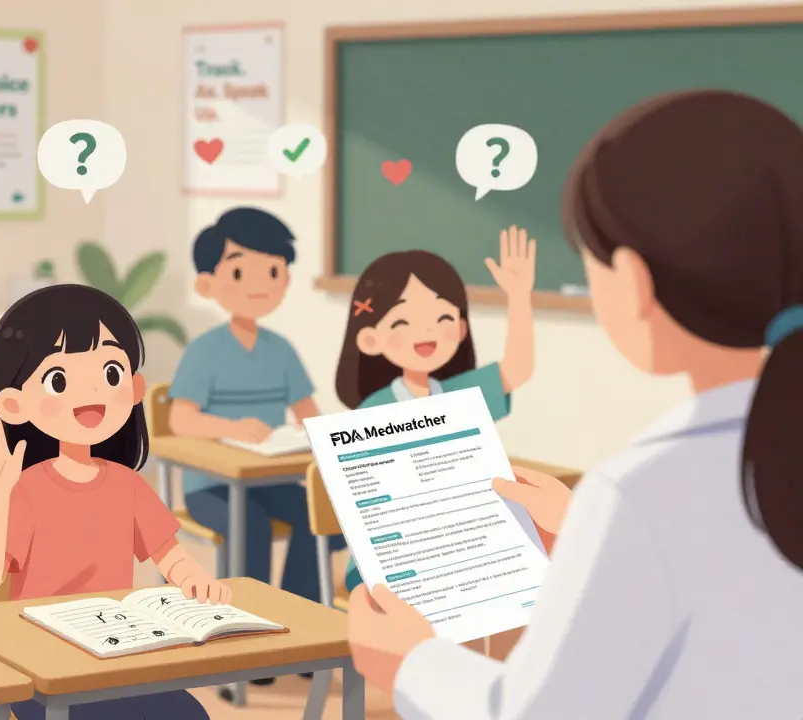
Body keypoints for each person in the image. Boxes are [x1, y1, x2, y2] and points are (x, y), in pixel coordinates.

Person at [345, 90, 803, 718]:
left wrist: (408, 662)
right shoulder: (664, 491)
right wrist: (586, 538)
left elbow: (537, 712)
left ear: (633, 282)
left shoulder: (641, 494)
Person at [0, 284, 221, 720]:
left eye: (110, 374)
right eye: (59, 380)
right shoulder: (24, 489)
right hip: (42, 663)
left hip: (117, 651)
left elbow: (170, 554)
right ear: (14, 403)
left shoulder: (127, 485)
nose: (91, 394)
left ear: (134, 388)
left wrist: (195, 579)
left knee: (189, 715)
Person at [168, 208, 346, 687]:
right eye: (240, 272)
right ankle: (250, 640)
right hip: (212, 486)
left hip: (270, 478)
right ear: (208, 283)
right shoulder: (206, 350)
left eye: (272, 272)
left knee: (320, 517)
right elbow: (180, 419)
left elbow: (308, 413)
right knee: (251, 527)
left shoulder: (280, 349)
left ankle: (298, 629)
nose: (259, 285)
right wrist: (231, 426)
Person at [337, 236, 537, 592]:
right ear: (370, 339)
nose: (426, 331)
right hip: (393, 557)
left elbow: (517, 368)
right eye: (403, 322)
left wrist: (519, 296)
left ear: (460, 329)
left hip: (455, 544)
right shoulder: (373, 411)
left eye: (442, 317)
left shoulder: (460, 395)